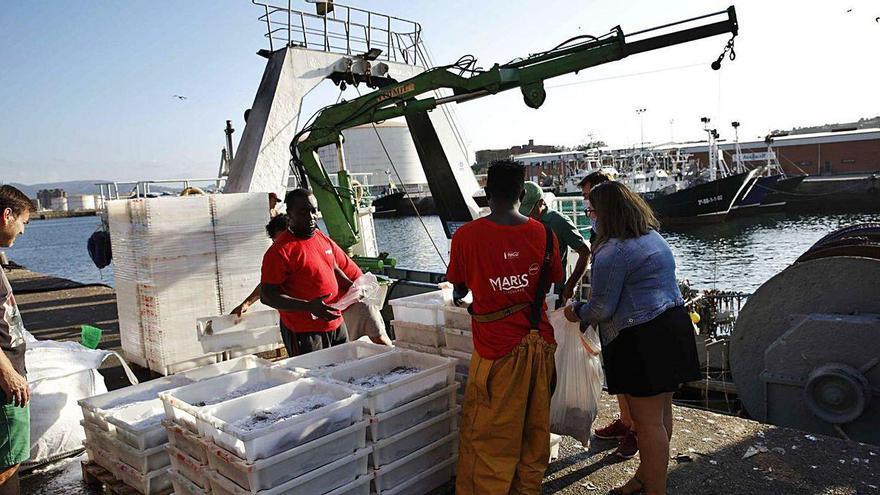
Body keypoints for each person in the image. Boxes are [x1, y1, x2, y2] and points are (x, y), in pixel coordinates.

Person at [565, 181, 700, 495]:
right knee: (661, 413)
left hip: (643, 338)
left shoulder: (613, 251)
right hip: (673, 326)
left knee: (647, 423)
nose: (590, 216)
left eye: (591, 211)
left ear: (606, 214)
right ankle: (645, 477)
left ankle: (656, 489)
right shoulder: (653, 237)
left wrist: (575, 310)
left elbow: (601, 308)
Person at [447, 161, 563, 495]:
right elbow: (552, 280)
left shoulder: (467, 236)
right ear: (523, 193)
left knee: (491, 439)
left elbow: (459, 289)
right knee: (534, 433)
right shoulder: (544, 234)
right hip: (540, 346)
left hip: (498, 353)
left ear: (487, 194)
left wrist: (472, 295)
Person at [260, 189, 390, 356]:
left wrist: (352, 287)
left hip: (336, 323)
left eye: (313, 211)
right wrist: (308, 306)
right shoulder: (279, 252)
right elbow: (267, 295)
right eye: (303, 212)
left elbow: (333, 267)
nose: (311, 217)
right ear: (289, 214)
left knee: (344, 368)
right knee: (314, 377)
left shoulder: (320, 237)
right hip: (304, 330)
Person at [578, 171, 637, 458]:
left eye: (590, 201)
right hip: (614, 318)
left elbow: (605, 300)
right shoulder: (604, 234)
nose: (587, 207)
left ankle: (636, 432)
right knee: (619, 378)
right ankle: (626, 422)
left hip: (630, 321)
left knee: (635, 383)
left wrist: (582, 312)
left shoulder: (621, 243)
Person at [0, 185, 34, 495]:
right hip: (4, 383)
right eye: (22, 221)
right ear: (6, 215)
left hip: (10, 374)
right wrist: (8, 373)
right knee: (7, 463)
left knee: (10, 462)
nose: (22, 230)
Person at [519, 181, 590, 305]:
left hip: (553, 293)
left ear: (541, 202)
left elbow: (585, 253)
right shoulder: (520, 221)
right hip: (526, 290)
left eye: (529, 210)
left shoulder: (559, 222)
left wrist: (570, 285)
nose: (526, 216)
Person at [230, 214, 290, 318]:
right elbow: (268, 284)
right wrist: (246, 303)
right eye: (276, 242)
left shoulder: (312, 248)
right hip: (293, 322)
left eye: (283, 241)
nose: (280, 247)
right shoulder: (278, 256)